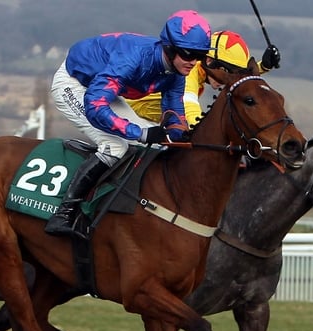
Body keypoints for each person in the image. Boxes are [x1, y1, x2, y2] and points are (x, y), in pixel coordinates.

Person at [45, 10, 212, 237]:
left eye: (199, 56)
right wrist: (141, 133)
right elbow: (95, 105)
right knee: (116, 146)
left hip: (102, 88)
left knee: (152, 144)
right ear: (170, 48)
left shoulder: (176, 72)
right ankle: (64, 213)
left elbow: (174, 111)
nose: (193, 62)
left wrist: (180, 133)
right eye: (188, 54)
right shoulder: (133, 59)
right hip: (76, 84)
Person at [127, 30, 282, 126]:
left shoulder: (202, 69)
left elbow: (238, 81)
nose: (226, 79)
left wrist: (264, 66)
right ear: (209, 61)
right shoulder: (188, 73)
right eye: (226, 72)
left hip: (150, 118)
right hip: (127, 112)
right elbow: (189, 110)